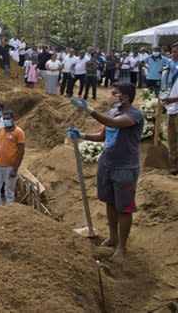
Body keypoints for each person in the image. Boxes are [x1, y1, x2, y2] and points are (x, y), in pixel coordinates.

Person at [70, 82, 144, 263]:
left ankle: (122, 247)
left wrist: (89, 110)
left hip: (124, 167)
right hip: (107, 164)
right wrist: (82, 136)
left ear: (125, 98)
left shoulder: (134, 115)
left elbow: (112, 123)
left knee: (124, 208)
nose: (110, 96)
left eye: (114, 93)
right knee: (109, 203)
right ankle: (113, 237)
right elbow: (104, 136)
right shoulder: (112, 112)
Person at [163, 45, 178, 175]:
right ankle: (174, 165)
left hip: (175, 105)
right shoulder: (175, 68)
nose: (171, 54)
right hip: (173, 109)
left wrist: (173, 99)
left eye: (174, 52)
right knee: (172, 139)